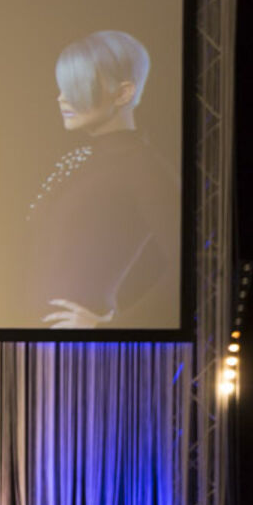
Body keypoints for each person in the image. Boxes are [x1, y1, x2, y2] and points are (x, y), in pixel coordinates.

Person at [24, 30, 178, 330]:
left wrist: (110, 328)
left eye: (77, 86)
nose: (62, 97)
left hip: (72, 345)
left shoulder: (142, 167)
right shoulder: (81, 159)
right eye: (62, 86)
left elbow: (190, 265)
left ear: (123, 93)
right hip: (21, 333)